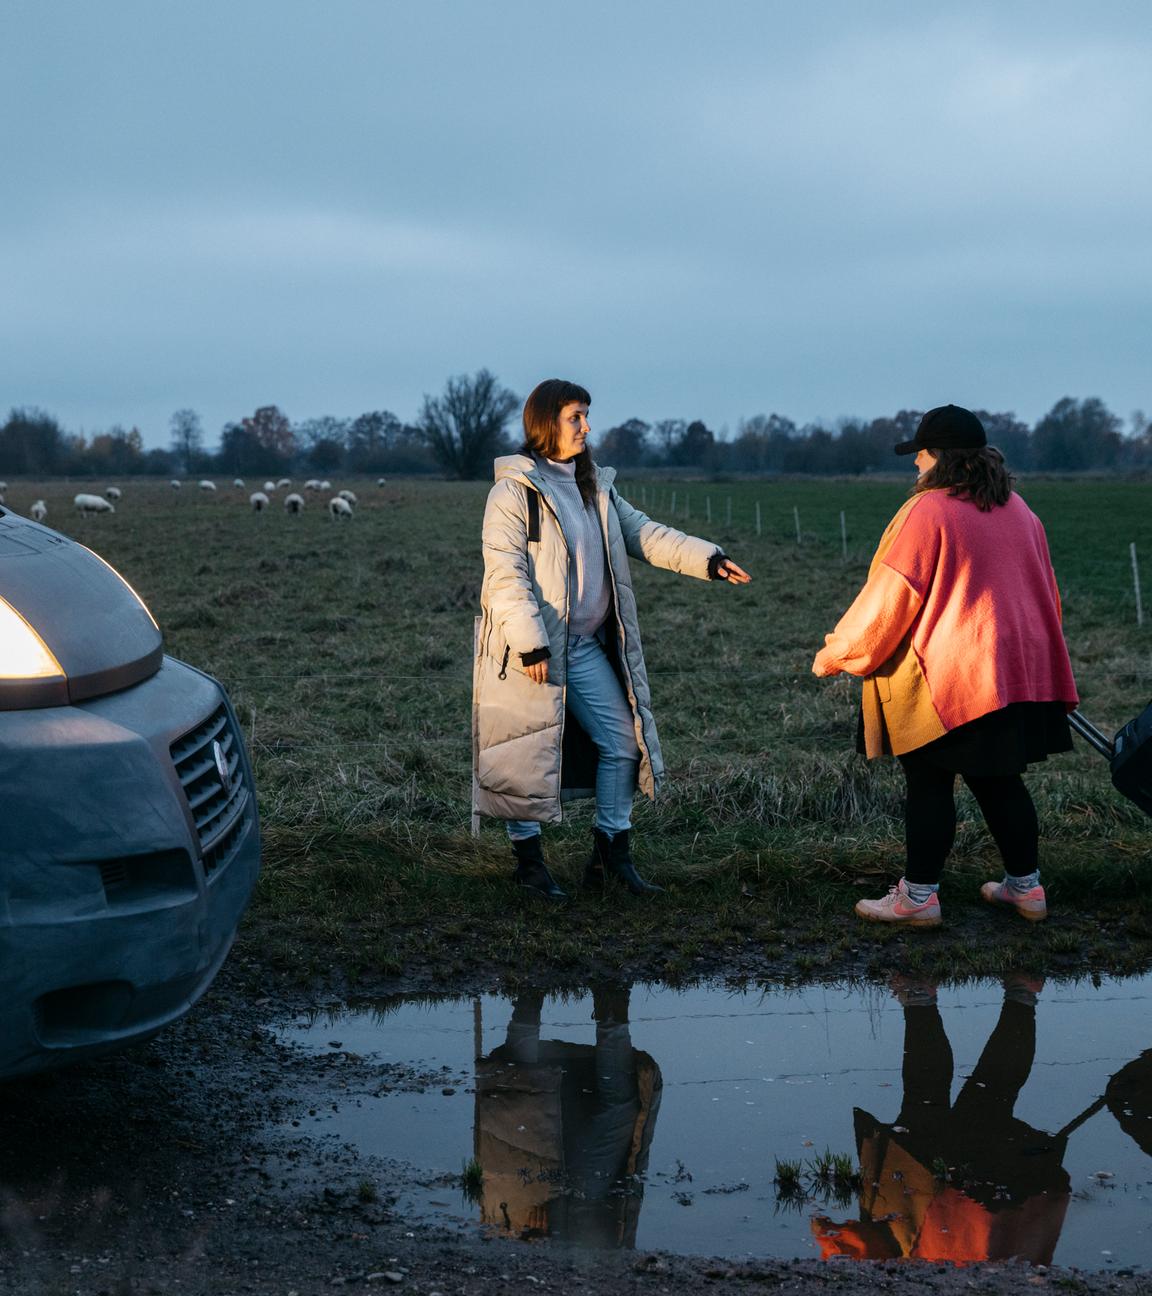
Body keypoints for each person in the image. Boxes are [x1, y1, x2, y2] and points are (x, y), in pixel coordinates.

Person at [473, 378, 750, 900]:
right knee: (522, 754)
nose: (586, 426)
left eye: (586, 416)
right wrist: (532, 641)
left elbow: (643, 533)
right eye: (576, 416)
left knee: (623, 744)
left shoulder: (592, 484)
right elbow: (505, 572)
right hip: (527, 649)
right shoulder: (513, 492)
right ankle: (528, 867)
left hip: (582, 647)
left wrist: (708, 559)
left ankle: (608, 858)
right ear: (547, 422)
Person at [812, 404, 1078, 925]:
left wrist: (840, 651)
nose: (915, 465)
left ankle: (917, 898)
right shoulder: (1020, 510)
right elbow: (1048, 593)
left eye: (920, 455)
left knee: (930, 782)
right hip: (1012, 672)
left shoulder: (927, 511)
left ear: (939, 458)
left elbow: (891, 595)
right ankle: (1026, 890)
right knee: (1000, 780)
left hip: (950, 675)